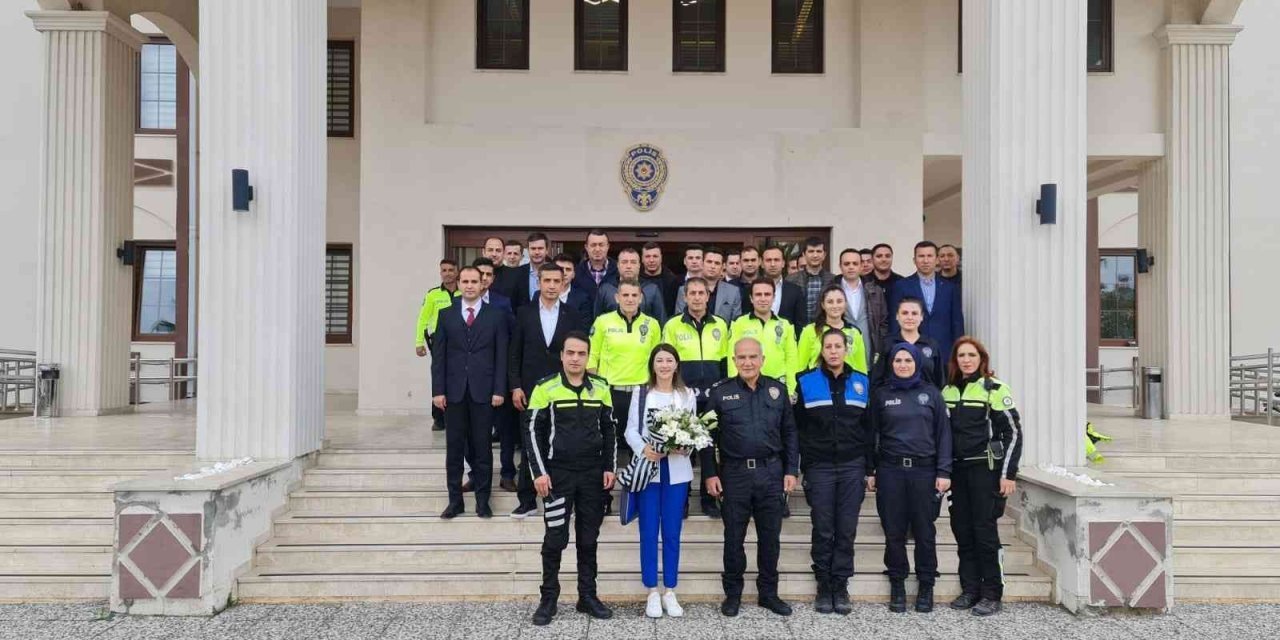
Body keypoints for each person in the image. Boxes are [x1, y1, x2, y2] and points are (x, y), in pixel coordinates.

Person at [523, 331, 616, 626]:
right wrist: (539, 472)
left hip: (591, 475)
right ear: (562, 355)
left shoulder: (601, 387)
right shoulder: (545, 388)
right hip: (558, 476)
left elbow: (610, 430)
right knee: (555, 539)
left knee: (589, 539)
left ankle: (587, 596)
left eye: (581, 354)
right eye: (571, 353)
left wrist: (609, 467)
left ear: (588, 357)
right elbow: (531, 433)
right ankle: (548, 598)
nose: (576, 359)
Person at [702, 338, 799, 618]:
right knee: (734, 538)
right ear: (733, 361)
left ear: (763, 359)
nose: (747, 362)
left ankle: (769, 594)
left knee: (770, 539)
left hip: (771, 473)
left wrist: (791, 470)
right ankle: (733, 594)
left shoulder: (777, 391)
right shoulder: (720, 393)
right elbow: (706, 437)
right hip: (735, 475)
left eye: (753, 357)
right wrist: (709, 473)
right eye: (741, 357)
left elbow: (790, 433)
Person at [942, 337, 1023, 617]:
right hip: (957, 473)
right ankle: (970, 589)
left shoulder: (995, 389)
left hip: (985, 472)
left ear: (981, 359)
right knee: (962, 532)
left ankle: (992, 593)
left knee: (985, 533)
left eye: (971, 355)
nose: (966, 360)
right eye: (961, 355)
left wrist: (1008, 474)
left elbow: (1012, 434)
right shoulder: (948, 391)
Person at [794, 329, 873, 615]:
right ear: (822, 350)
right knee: (824, 528)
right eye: (828, 346)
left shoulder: (862, 383)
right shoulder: (805, 382)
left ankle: (840, 585)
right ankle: (823, 585)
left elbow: (869, 429)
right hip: (820, 468)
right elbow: (797, 428)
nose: (834, 351)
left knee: (846, 529)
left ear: (846, 349)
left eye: (838, 346)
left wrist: (870, 468)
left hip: (853, 467)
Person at [870, 342, 952, 614]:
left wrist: (943, 471)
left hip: (924, 472)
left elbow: (944, 435)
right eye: (897, 360)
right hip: (891, 471)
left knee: (925, 532)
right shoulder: (881, 395)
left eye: (907, 360)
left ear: (917, 362)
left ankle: (926, 585)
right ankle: (897, 584)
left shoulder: (932, 395)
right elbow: (871, 436)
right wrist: (871, 471)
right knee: (893, 532)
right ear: (891, 364)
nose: (902, 364)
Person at [624, 344, 698, 619]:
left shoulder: (686, 394)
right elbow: (631, 429)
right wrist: (643, 448)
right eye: (659, 360)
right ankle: (651, 591)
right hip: (649, 470)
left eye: (669, 360)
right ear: (652, 365)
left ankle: (670, 590)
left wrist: (685, 445)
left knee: (671, 532)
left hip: (676, 471)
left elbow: (693, 429)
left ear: (677, 364)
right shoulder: (642, 392)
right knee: (648, 531)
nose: (664, 365)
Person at [508, 264, 585, 518]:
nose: (552, 285)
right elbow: (514, 352)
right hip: (529, 390)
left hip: (561, 389)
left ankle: (560, 497)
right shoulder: (523, 313)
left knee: (559, 442)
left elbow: (577, 353)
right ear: (539, 282)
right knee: (530, 442)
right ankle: (527, 499)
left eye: (556, 280)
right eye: (547, 280)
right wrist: (516, 385)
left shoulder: (573, 315)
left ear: (564, 284)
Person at [431, 266, 509, 520]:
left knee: (482, 448)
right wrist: (437, 391)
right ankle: (455, 501)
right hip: (453, 393)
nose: (469, 285)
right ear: (459, 283)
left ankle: (483, 501)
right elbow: (439, 357)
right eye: (465, 281)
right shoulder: (445, 315)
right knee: (454, 450)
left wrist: (499, 389)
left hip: (484, 393)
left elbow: (501, 357)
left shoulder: (496, 316)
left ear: (483, 284)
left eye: (474, 281)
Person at [588, 279, 662, 515]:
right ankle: (603, 497)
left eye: (634, 295)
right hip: (611, 393)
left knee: (638, 447)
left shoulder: (651, 325)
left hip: (641, 394)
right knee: (607, 445)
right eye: (625, 295)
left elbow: (657, 361)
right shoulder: (602, 322)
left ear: (641, 298)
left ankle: (636, 495)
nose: (630, 299)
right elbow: (592, 359)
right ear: (617, 298)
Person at [662, 277, 731, 519]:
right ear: (685, 296)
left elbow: (726, 363)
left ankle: (709, 497)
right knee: (681, 449)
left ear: (708, 295)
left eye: (702, 293)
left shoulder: (720, 325)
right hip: (684, 396)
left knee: (709, 447)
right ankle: (681, 500)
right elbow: (667, 361)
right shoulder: (672, 326)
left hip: (713, 397)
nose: (697, 297)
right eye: (692, 293)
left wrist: (723, 390)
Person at [889, 241, 965, 359]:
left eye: (930, 256)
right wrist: (897, 348)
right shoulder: (901, 286)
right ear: (914, 260)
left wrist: (959, 349)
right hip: (911, 350)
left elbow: (957, 322)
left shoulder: (950, 287)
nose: (925, 260)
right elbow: (895, 321)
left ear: (937, 260)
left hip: (944, 351)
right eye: (921, 256)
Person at [729, 279, 799, 397]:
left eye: (767, 294)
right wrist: (735, 388)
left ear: (773, 297)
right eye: (758, 294)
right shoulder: (738, 323)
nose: (762, 298)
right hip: (746, 386)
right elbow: (732, 357)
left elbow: (792, 359)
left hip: (778, 386)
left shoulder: (785, 325)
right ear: (751, 298)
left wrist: (791, 389)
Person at [415, 258, 460, 431]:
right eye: (444, 270)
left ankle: (453, 415)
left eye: (450, 270)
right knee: (439, 375)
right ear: (440, 272)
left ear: (456, 272)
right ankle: (438, 417)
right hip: (438, 341)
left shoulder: (463, 292)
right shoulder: (433, 294)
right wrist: (419, 342)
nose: (447, 273)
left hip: (459, 341)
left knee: (456, 377)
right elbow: (423, 319)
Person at [796, 285, 868, 375]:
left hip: (848, 385)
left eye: (839, 301)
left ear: (845, 304)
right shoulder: (810, 331)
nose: (835, 306)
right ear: (823, 305)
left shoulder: (855, 333)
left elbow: (861, 369)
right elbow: (799, 366)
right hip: (818, 385)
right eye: (830, 302)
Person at [874, 298, 945, 388]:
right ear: (897, 316)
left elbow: (940, 381)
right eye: (905, 313)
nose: (910, 317)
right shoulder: (887, 344)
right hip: (894, 399)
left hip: (926, 400)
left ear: (921, 317)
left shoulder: (932, 345)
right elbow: (877, 381)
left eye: (914, 313)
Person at [833, 248, 888, 359]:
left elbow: (883, 322)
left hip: (869, 351)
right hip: (839, 354)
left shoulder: (875, 291)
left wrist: (880, 346)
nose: (851, 267)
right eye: (847, 263)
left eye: (855, 263)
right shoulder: (831, 290)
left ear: (861, 265)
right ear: (840, 266)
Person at [595, 247, 667, 322]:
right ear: (618, 265)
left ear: (639, 265)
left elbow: (661, 321)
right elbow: (597, 320)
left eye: (633, 262)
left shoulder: (652, 289)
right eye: (624, 262)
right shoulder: (606, 289)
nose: (628, 266)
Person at [674, 246, 742, 321]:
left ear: (723, 267)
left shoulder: (733, 292)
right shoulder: (684, 289)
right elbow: (679, 320)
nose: (712, 266)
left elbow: (735, 322)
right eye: (709, 262)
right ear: (702, 263)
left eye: (717, 263)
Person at [786, 236, 833, 326]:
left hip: (826, 330)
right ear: (804, 254)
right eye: (811, 251)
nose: (815, 255)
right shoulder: (791, 280)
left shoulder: (833, 280)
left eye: (819, 251)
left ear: (824, 255)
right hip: (798, 330)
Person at [759, 246, 807, 330]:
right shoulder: (750, 290)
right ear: (762, 264)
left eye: (776, 260)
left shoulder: (795, 291)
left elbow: (800, 325)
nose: (772, 264)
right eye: (768, 260)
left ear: (783, 263)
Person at [573, 229, 617, 307]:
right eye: (593, 245)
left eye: (601, 245)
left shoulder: (619, 271)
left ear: (608, 246)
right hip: (584, 318)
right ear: (586, 247)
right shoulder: (576, 273)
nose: (597, 249)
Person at [640, 241, 682, 314]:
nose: (651, 260)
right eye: (647, 256)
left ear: (661, 258)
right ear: (642, 259)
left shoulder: (673, 281)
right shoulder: (635, 280)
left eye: (655, 256)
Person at [514, 232, 551, 305]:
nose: (536, 252)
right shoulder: (517, 273)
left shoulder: (555, 272)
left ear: (547, 250)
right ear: (528, 250)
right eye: (533, 248)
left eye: (540, 248)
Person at [554, 253, 593, 318]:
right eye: (560, 269)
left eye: (568, 269)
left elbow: (584, 326)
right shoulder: (539, 294)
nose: (564, 273)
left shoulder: (583, 299)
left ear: (573, 275)